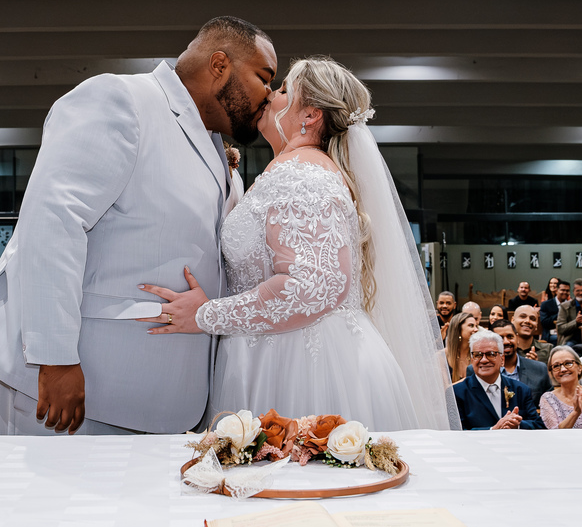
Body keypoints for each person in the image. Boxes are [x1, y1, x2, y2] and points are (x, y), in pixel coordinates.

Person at [0, 16, 276, 435]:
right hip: (80, 388)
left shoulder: (216, 147)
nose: (270, 94)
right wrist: (56, 359)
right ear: (220, 65)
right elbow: (54, 221)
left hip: (161, 398)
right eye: (264, 77)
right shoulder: (122, 99)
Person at [142, 56, 457, 431]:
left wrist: (206, 315)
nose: (270, 96)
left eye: (284, 90)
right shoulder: (296, 169)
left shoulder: (302, 174)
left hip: (301, 367)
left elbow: (312, 286)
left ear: (309, 116)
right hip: (286, 352)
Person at [451, 331, 543, 430]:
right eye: (478, 355)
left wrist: (517, 425)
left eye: (491, 354)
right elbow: (456, 432)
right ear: (472, 359)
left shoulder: (521, 389)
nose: (484, 360)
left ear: (502, 359)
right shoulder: (456, 393)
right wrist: (493, 430)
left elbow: (538, 426)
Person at [473, 319, 551, 412]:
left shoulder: (539, 369)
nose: (506, 342)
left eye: (510, 337)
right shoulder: (479, 369)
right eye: (500, 338)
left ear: (517, 338)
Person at [444, 312, 478, 383]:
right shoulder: (441, 356)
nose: (476, 329)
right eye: (471, 326)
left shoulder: (478, 355)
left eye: (476, 326)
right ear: (458, 329)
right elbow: (445, 389)